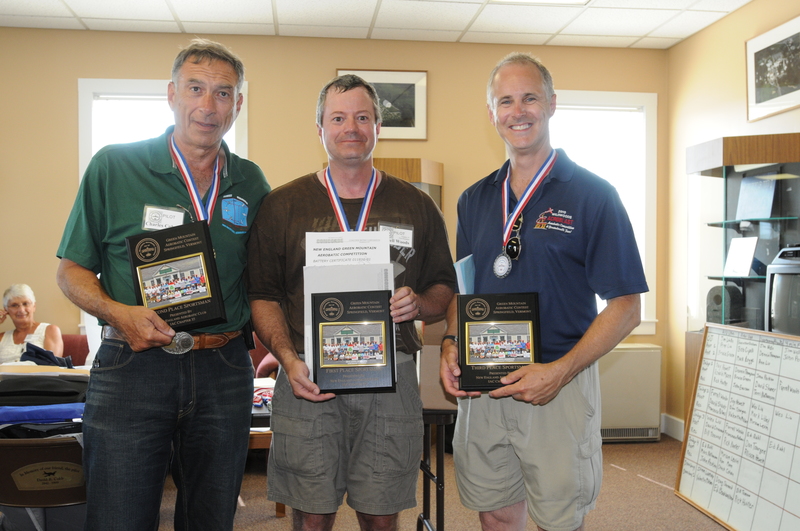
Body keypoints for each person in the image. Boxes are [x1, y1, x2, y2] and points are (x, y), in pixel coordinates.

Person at [56, 38, 270, 530]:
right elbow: (70, 271)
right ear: (171, 94)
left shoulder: (251, 182)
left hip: (223, 368)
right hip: (134, 366)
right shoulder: (114, 167)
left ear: (237, 104)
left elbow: (264, 281)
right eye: (195, 88)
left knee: (211, 519)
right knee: (119, 516)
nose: (207, 105)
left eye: (222, 93)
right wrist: (119, 313)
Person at [440, 52, 649, 531]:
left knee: (558, 520)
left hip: (558, 386)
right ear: (491, 113)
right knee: (495, 513)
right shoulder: (474, 199)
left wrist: (559, 372)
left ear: (552, 104)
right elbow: (463, 291)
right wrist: (451, 341)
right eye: (505, 101)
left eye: (530, 98)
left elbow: (626, 306)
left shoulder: (594, 195)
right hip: (485, 387)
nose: (518, 111)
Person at [247, 74, 456, 531]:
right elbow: (263, 295)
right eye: (338, 118)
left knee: (381, 515)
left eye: (363, 117)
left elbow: (444, 288)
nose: (351, 128)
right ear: (319, 128)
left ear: (378, 127)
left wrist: (419, 304)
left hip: (390, 376)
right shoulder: (282, 205)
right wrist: (287, 360)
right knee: (312, 515)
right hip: (308, 376)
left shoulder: (417, 205)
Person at [0, 284, 63, 363]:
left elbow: (52, 366)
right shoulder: (2, 338)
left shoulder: (50, 330)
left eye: (25, 304)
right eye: (14, 305)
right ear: (6, 310)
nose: (21, 310)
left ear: (34, 306)